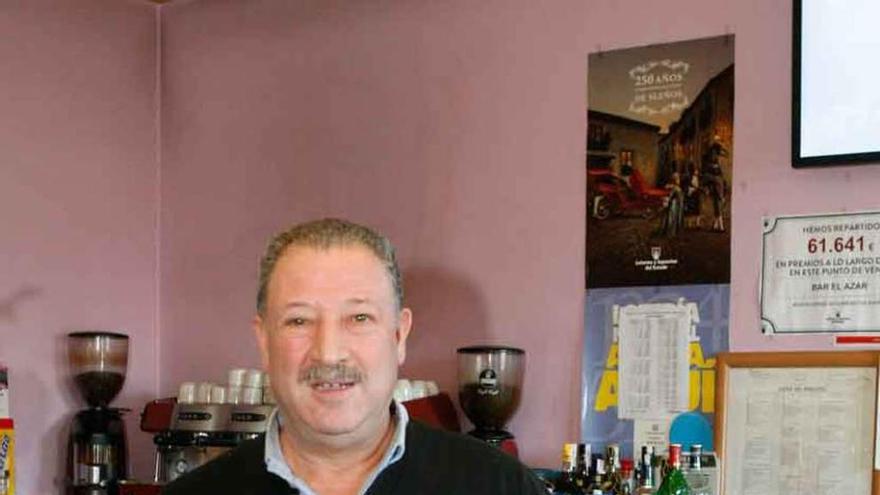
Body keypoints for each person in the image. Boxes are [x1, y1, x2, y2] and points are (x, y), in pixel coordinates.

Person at [162, 218, 547, 495]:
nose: (329, 352)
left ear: (399, 335)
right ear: (264, 342)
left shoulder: (500, 486)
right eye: (299, 320)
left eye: (359, 317)